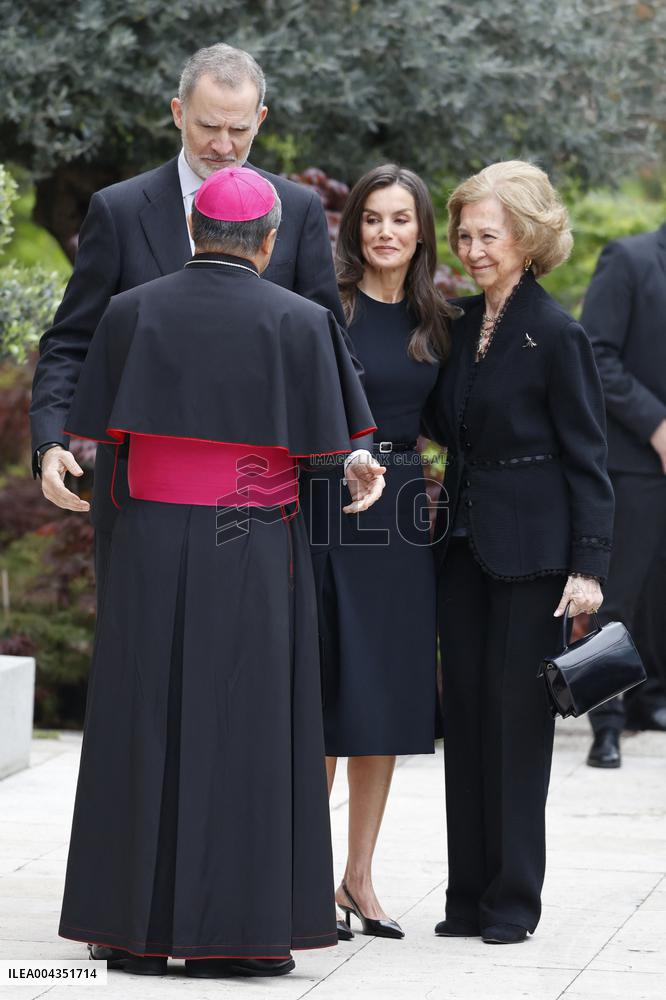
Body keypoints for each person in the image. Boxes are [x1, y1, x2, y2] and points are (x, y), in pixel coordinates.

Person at [57, 168, 382, 979]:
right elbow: (333, 447)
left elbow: (101, 434)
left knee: (144, 721)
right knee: (249, 728)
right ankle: (237, 936)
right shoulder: (303, 321)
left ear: (193, 232)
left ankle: (130, 929)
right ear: (270, 244)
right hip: (254, 541)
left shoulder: (132, 313)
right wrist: (356, 472)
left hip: (149, 544)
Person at [30, 42, 360, 609]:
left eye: (239, 129)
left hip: (263, 498)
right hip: (139, 495)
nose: (224, 146)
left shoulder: (297, 208)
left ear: (260, 120)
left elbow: (328, 347)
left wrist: (355, 448)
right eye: (208, 126)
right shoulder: (118, 208)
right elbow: (71, 341)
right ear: (178, 112)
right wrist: (50, 441)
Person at [422, 161, 614, 944]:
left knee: (517, 729)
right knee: (464, 721)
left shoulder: (558, 332)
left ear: (528, 238)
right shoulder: (461, 323)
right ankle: (466, 895)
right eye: (463, 234)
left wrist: (590, 566)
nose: (471, 248)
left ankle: (511, 901)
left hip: (535, 554)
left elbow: (588, 457)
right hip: (462, 546)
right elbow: (439, 421)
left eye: (487, 235)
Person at [303, 165, 457, 941]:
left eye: (401, 219)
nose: (385, 233)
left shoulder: (440, 318)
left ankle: (358, 878)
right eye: (372, 219)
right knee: (331, 696)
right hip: (330, 500)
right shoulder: (327, 307)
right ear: (353, 226)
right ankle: (306, 878)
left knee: (385, 703)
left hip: (402, 514)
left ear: (421, 230)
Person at [582, 225, 666, 768]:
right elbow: (596, 353)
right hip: (634, 462)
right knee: (617, 597)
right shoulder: (630, 259)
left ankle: (649, 702)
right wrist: (657, 426)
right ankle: (603, 722)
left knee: (660, 595)